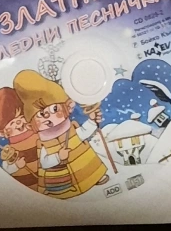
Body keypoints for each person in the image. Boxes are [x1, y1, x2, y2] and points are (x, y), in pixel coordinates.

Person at [12, 70, 108, 198]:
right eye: (41, 114)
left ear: (67, 107)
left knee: (90, 170)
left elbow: (83, 133)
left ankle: (95, 177)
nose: (49, 117)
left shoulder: (71, 129)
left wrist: (92, 121)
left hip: (87, 169)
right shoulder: (44, 143)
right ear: (31, 123)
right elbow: (44, 163)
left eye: (55, 109)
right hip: (62, 180)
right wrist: (58, 157)